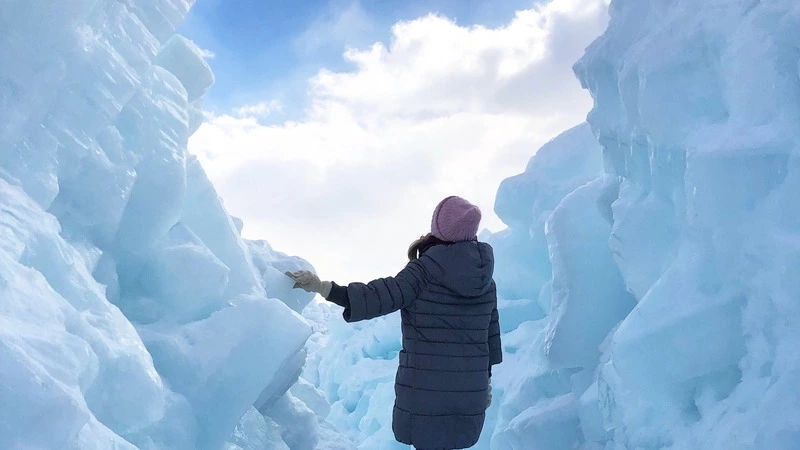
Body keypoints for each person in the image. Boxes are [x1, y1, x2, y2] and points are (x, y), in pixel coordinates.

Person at [288, 195, 502, 450]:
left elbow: (379, 296)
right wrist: (486, 381)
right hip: (470, 393)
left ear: (440, 228)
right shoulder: (486, 282)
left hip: (426, 392)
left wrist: (325, 288)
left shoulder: (424, 271)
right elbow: (489, 337)